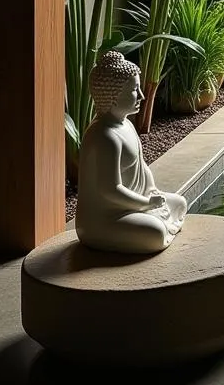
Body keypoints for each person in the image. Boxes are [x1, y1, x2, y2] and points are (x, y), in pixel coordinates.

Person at [75, 51, 187, 253]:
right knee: (155, 234)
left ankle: (155, 221)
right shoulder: (104, 136)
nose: (142, 96)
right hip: (106, 217)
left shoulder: (126, 125)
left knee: (179, 203)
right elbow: (110, 190)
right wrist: (146, 204)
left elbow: (141, 167)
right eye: (135, 90)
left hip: (135, 203)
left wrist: (152, 192)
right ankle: (158, 227)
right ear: (114, 96)